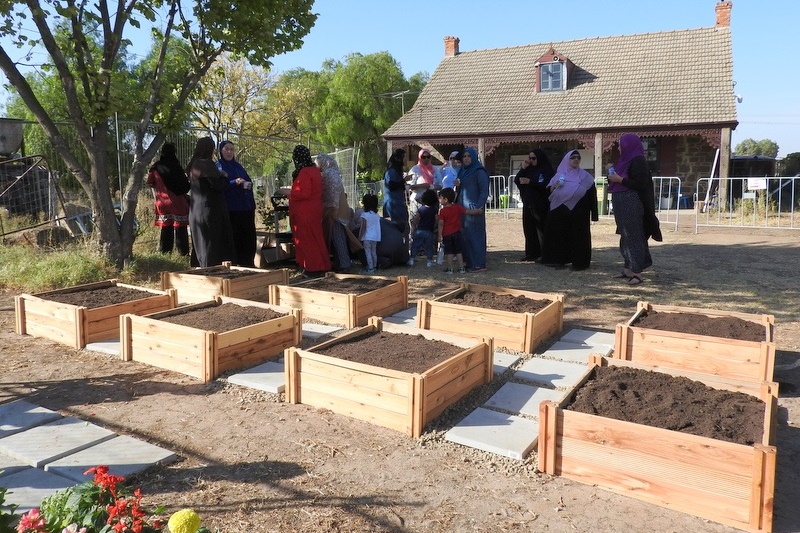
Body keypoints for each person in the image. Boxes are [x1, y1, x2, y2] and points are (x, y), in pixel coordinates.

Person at [607, 133, 663, 285]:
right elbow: (615, 180)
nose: (619, 147)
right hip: (621, 202)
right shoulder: (623, 161)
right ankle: (628, 269)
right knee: (625, 235)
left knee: (634, 236)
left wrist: (620, 180)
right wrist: (611, 175)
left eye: (620, 144)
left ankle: (637, 273)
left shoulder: (638, 161)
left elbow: (640, 184)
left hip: (631, 202)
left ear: (628, 145)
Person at [540, 150, 598, 270]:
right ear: (567, 159)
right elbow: (548, 192)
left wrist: (594, 214)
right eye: (572, 157)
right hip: (560, 211)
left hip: (580, 212)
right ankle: (558, 260)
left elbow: (592, 195)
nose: (576, 159)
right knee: (560, 236)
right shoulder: (559, 175)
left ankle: (580, 263)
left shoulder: (586, 177)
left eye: (578, 157)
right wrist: (553, 186)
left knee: (579, 237)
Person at [186, 137, 235, 267]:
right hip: (209, 210)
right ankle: (210, 271)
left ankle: (200, 269)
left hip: (196, 210)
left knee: (201, 243)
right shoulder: (205, 164)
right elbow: (218, 185)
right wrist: (224, 176)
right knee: (210, 244)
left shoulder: (194, 163)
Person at [289, 145, 331, 277]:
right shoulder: (314, 170)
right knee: (316, 237)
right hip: (314, 209)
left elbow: (304, 193)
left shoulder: (305, 172)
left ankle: (312, 268)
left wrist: (288, 192)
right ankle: (322, 265)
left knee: (307, 239)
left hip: (304, 211)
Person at [217, 140, 256, 267]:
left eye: (231, 149)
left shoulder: (238, 166)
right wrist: (235, 182)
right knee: (234, 237)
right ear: (221, 151)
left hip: (245, 207)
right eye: (226, 149)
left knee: (248, 237)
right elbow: (220, 185)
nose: (229, 152)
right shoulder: (219, 166)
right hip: (231, 208)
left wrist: (247, 184)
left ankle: (248, 262)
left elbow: (248, 180)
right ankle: (234, 262)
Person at [146, 142, 190, 256]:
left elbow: (150, 182)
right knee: (180, 228)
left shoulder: (155, 167)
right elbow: (185, 186)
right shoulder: (176, 167)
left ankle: (165, 252)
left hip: (162, 202)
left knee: (166, 228)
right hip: (178, 202)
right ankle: (183, 253)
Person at [513, 148, 554, 262]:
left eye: (533, 158)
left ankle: (544, 254)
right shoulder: (529, 170)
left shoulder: (546, 170)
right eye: (530, 158)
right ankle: (531, 253)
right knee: (529, 230)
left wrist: (530, 182)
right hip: (528, 204)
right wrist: (523, 168)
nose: (531, 160)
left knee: (541, 230)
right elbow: (517, 180)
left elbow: (546, 184)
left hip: (541, 205)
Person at [315, 153, 353, 272]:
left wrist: (333, 210)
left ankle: (344, 265)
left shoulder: (329, 175)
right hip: (338, 210)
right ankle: (342, 263)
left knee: (337, 238)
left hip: (335, 211)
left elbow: (332, 194)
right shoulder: (334, 172)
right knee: (338, 238)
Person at [456, 147, 490, 272]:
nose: (466, 158)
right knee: (466, 237)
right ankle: (470, 263)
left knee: (476, 237)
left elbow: (484, 191)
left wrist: (478, 206)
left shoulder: (479, 172)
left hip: (474, 209)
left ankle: (479, 264)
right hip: (463, 209)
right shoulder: (463, 171)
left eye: (468, 156)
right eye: (464, 156)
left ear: (474, 157)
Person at [437, 187, 482, 274]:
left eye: (440, 198)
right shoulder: (457, 207)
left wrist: (439, 235)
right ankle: (461, 268)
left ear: (445, 200)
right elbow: (468, 212)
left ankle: (450, 268)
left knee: (449, 252)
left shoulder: (442, 211)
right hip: (457, 233)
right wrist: (477, 211)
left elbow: (441, 224)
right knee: (458, 251)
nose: (439, 199)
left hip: (447, 234)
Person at [407, 149, 443, 242]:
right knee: (415, 223)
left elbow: (440, 185)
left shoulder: (435, 169)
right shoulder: (415, 169)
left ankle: (432, 247)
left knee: (433, 224)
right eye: (423, 157)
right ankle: (416, 247)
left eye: (428, 157)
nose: (426, 159)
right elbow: (410, 186)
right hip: (417, 201)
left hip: (432, 201)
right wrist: (422, 186)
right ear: (420, 158)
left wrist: (431, 186)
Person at [407, 189, 439, 267]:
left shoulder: (421, 209)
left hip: (420, 230)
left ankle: (412, 259)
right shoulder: (434, 210)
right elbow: (437, 220)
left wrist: (413, 227)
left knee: (415, 245)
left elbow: (415, 219)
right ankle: (429, 261)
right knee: (429, 246)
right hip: (429, 231)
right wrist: (436, 227)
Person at [383, 148, 410, 236]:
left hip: (399, 202)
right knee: (394, 228)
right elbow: (392, 186)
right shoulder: (392, 172)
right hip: (393, 204)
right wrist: (403, 180)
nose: (405, 160)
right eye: (404, 157)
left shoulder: (397, 171)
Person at [359, 193, 381, 274]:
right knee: (373, 252)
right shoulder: (376, 215)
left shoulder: (364, 215)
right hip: (375, 237)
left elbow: (363, 227)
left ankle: (370, 268)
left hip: (367, 237)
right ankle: (374, 266)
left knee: (368, 252)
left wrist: (360, 237)